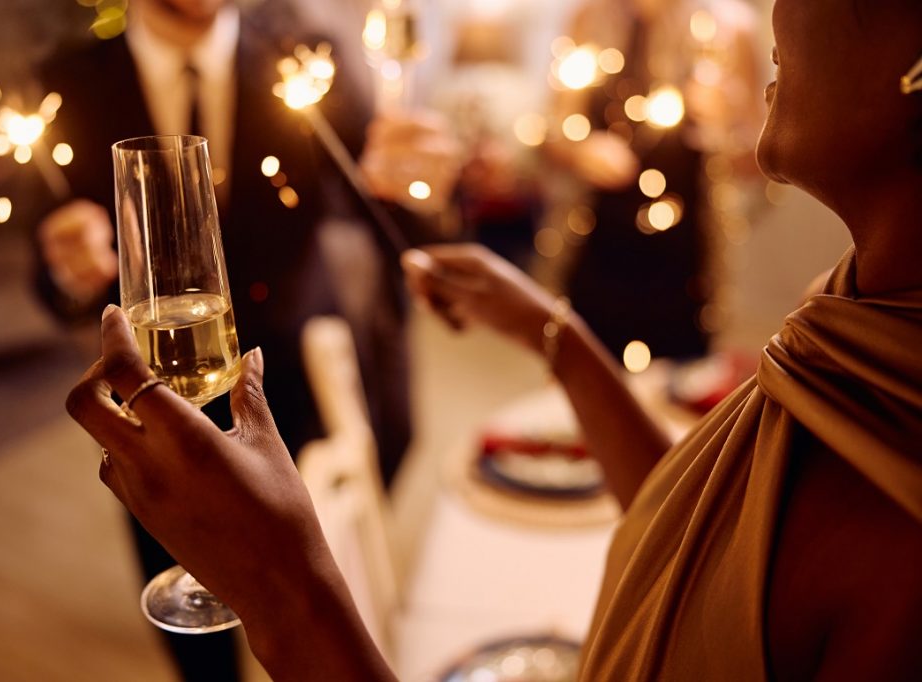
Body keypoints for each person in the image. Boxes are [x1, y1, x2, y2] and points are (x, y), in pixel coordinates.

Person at [65, 0, 922, 679]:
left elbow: (391, 197)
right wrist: (552, 334)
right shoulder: (853, 314)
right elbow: (699, 519)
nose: (777, 8)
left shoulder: (897, 530)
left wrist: (286, 593)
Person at [34, 0, 459, 679]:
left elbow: (387, 202)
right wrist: (67, 270)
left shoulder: (307, 53)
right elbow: (52, 267)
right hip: (152, 401)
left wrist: (422, 187)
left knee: (316, 605)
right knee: (189, 615)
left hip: (291, 381)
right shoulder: (68, 83)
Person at [545, 0, 763, 359]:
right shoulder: (590, 18)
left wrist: (726, 124)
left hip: (685, 260)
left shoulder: (728, 27)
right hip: (596, 246)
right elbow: (552, 134)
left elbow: (759, 158)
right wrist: (580, 151)